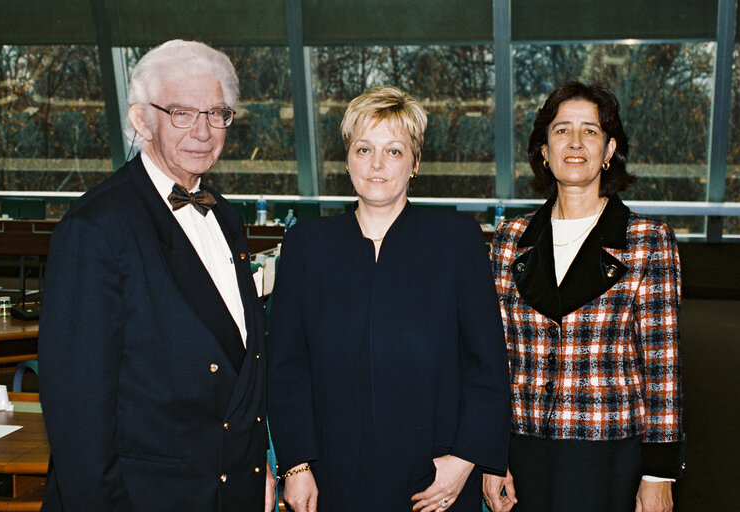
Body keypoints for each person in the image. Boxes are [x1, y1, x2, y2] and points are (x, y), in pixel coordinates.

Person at [39, 40, 273, 511]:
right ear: (142, 120)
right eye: (181, 113)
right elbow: (78, 415)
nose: (203, 131)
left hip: (230, 490)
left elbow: (240, 365)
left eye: (216, 113)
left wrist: (256, 467)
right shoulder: (96, 228)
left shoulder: (226, 217)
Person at [267, 85, 511, 512]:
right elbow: (287, 369)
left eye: (394, 151)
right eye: (364, 149)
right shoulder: (306, 245)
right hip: (333, 479)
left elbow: (487, 366)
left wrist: (464, 460)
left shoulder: (457, 242)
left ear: (415, 163)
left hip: (436, 483)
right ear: (347, 159)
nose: (377, 164)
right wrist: (296, 467)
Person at [485, 82, 685, 512]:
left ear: (610, 149)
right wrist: (491, 456)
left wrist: (659, 473)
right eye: (561, 130)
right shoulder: (508, 241)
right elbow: (491, 360)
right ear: (543, 149)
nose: (575, 143)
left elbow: (663, 367)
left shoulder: (647, 241)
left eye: (590, 131)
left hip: (609, 454)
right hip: (522, 453)